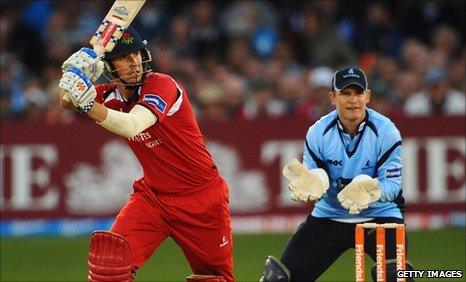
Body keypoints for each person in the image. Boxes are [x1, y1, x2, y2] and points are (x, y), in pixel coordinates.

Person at [58, 27, 233, 282]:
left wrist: (86, 102)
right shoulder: (109, 94)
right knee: (109, 266)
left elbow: (132, 125)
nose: (134, 63)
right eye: (125, 58)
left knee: (214, 279)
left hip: (201, 199)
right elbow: (66, 100)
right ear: (108, 65)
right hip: (153, 199)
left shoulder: (162, 85)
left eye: (137, 55)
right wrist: (74, 74)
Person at [260, 67, 414, 282]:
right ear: (333, 97)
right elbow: (312, 178)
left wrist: (370, 193)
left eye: (358, 93)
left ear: (367, 96)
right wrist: (313, 185)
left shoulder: (387, 131)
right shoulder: (318, 132)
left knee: (396, 276)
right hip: (330, 214)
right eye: (345, 93)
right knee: (279, 279)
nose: (353, 100)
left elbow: (392, 185)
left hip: (380, 216)